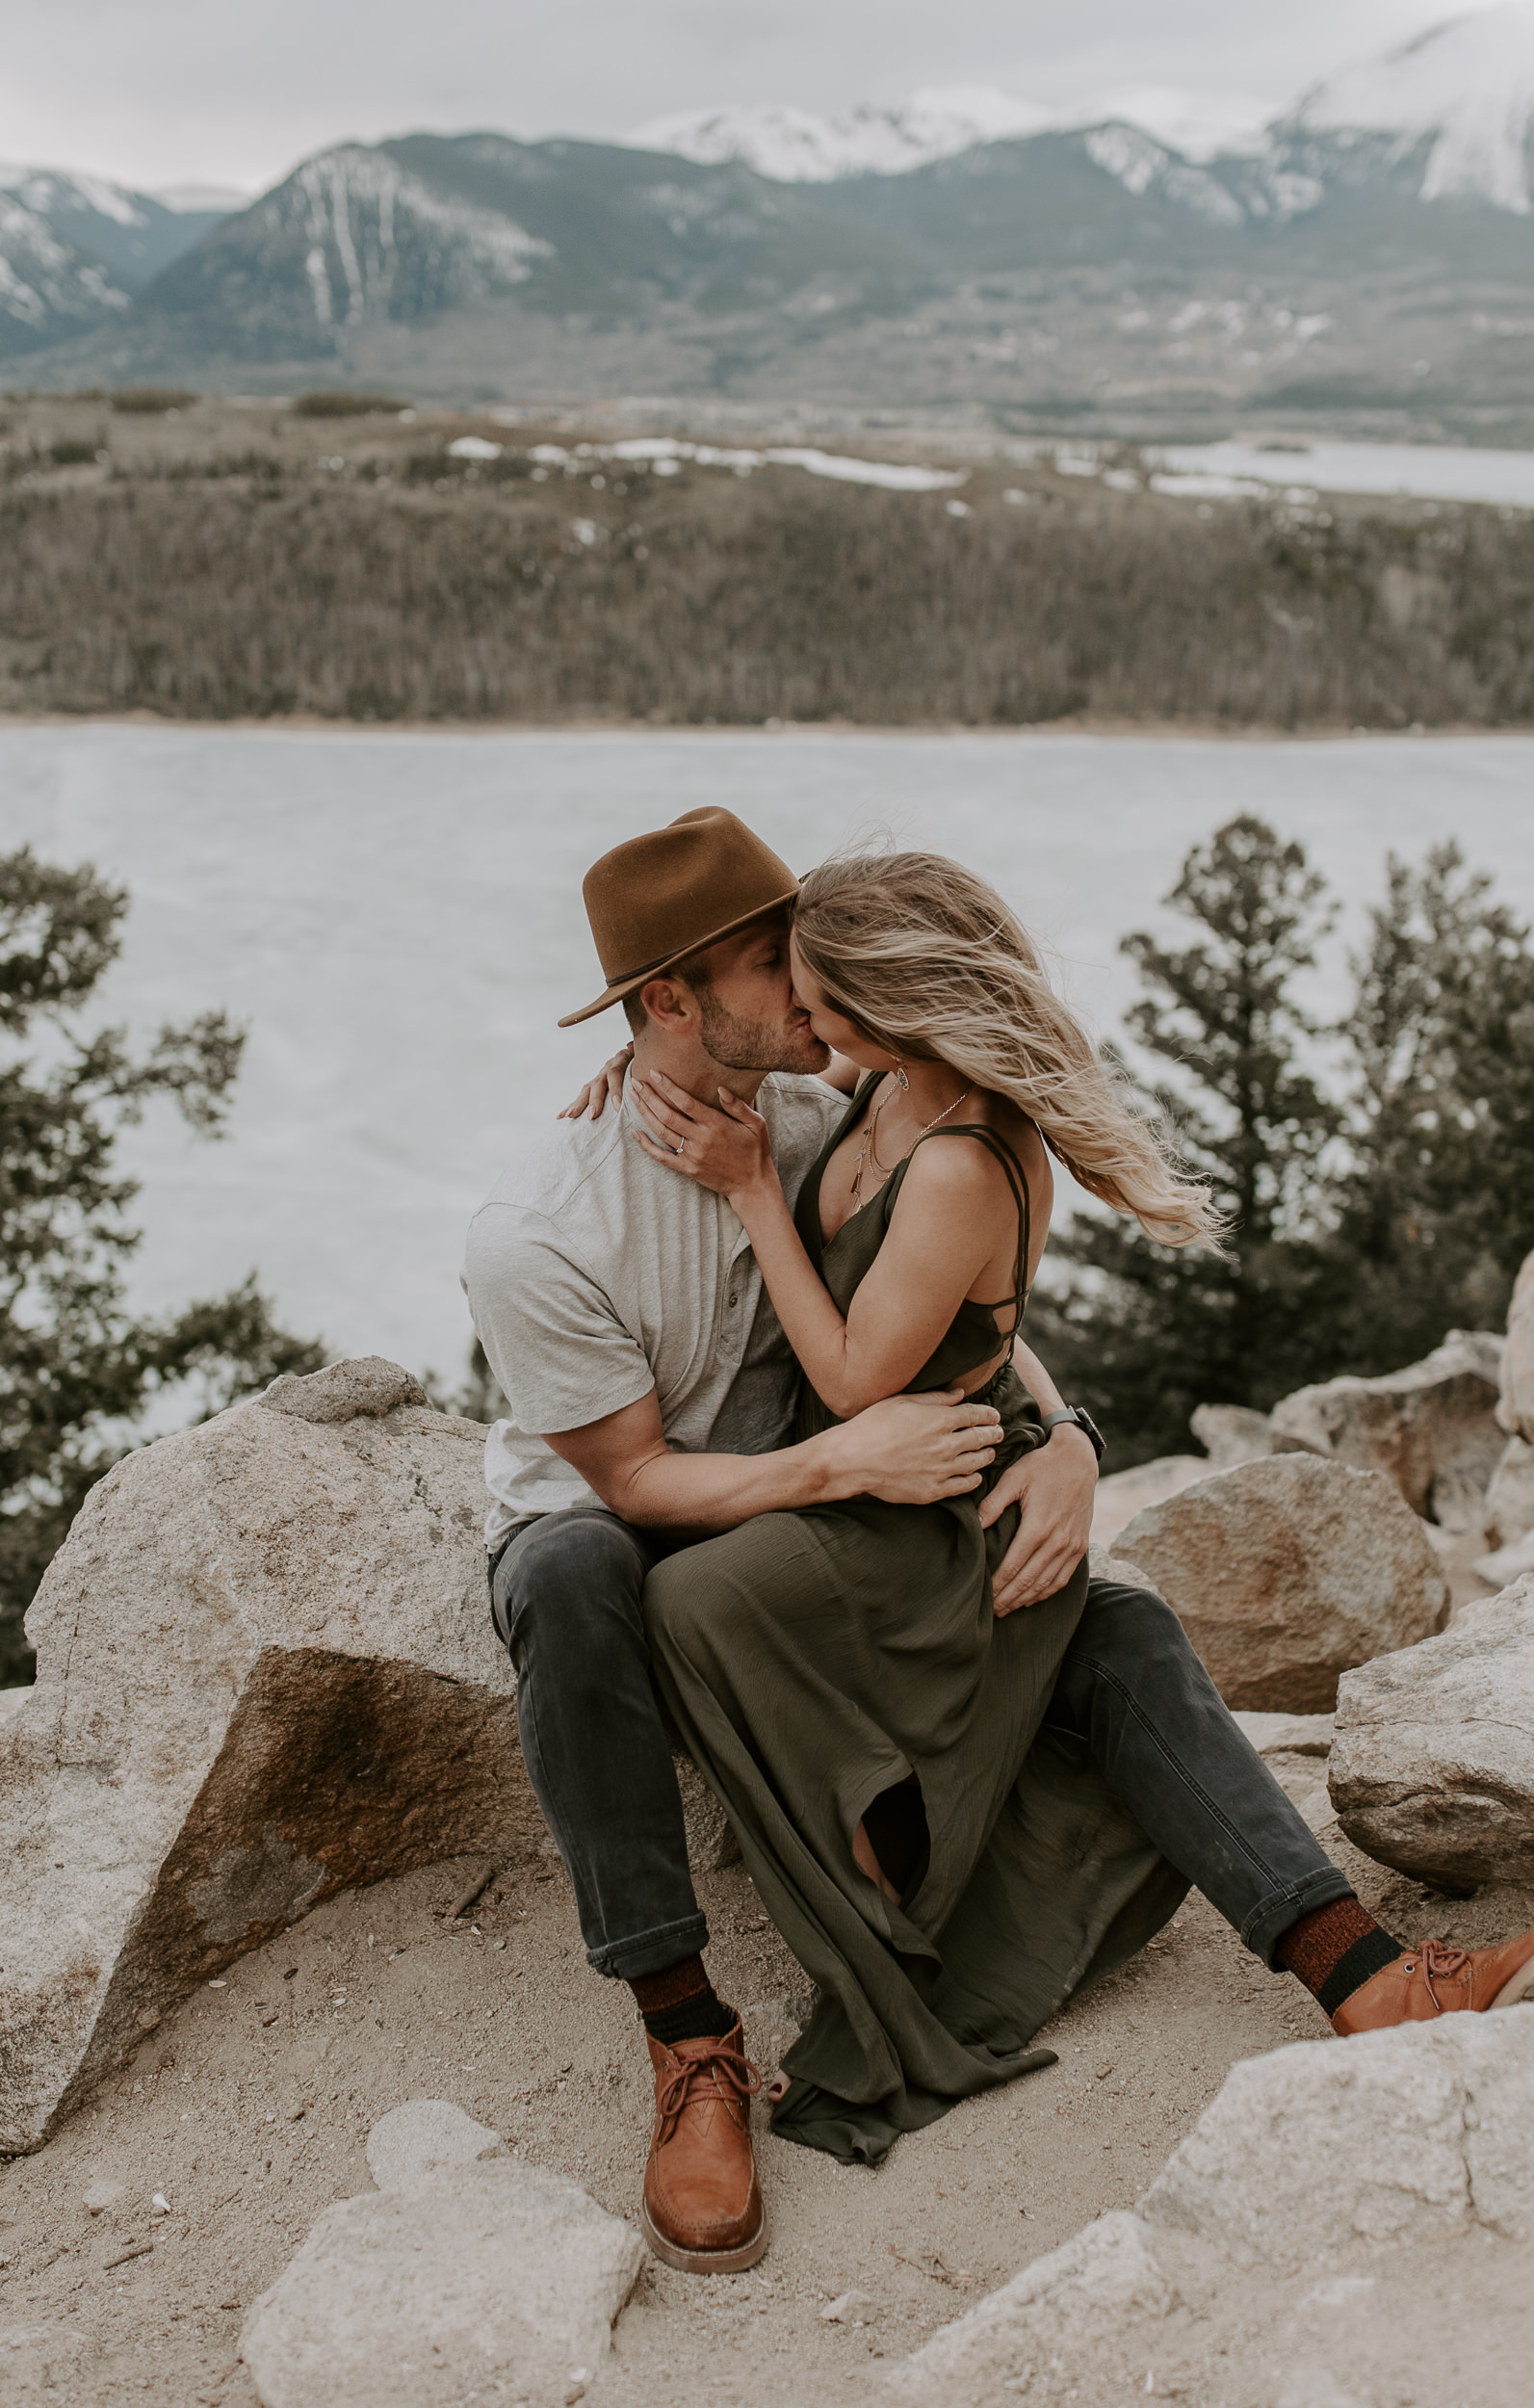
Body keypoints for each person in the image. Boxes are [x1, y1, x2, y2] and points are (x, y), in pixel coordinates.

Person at [606, 843, 1534, 2204]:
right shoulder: (876, 1085)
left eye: (821, 999)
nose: (802, 1025)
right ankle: (1361, 1976)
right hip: (918, 1477)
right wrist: (630, 1068)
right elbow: (967, 1322)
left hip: (928, 1501)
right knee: (1103, 1627)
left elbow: (854, 1379)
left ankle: (1355, 1978)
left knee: (726, 1602)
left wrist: (755, 1196)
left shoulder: (960, 1157)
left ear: (893, 1005)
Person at [463, 807, 1108, 2276]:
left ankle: (1355, 1967)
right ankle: (688, 2040)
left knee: (1103, 1609)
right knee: (572, 1585)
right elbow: (627, 1482)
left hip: (811, 1505)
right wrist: (840, 1457)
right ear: (667, 1002)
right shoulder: (538, 1231)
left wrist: (1076, 1443)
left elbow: (962, 1306)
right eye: (774, 963)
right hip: (621, 1522)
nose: (811, 989)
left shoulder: (818, 1116)